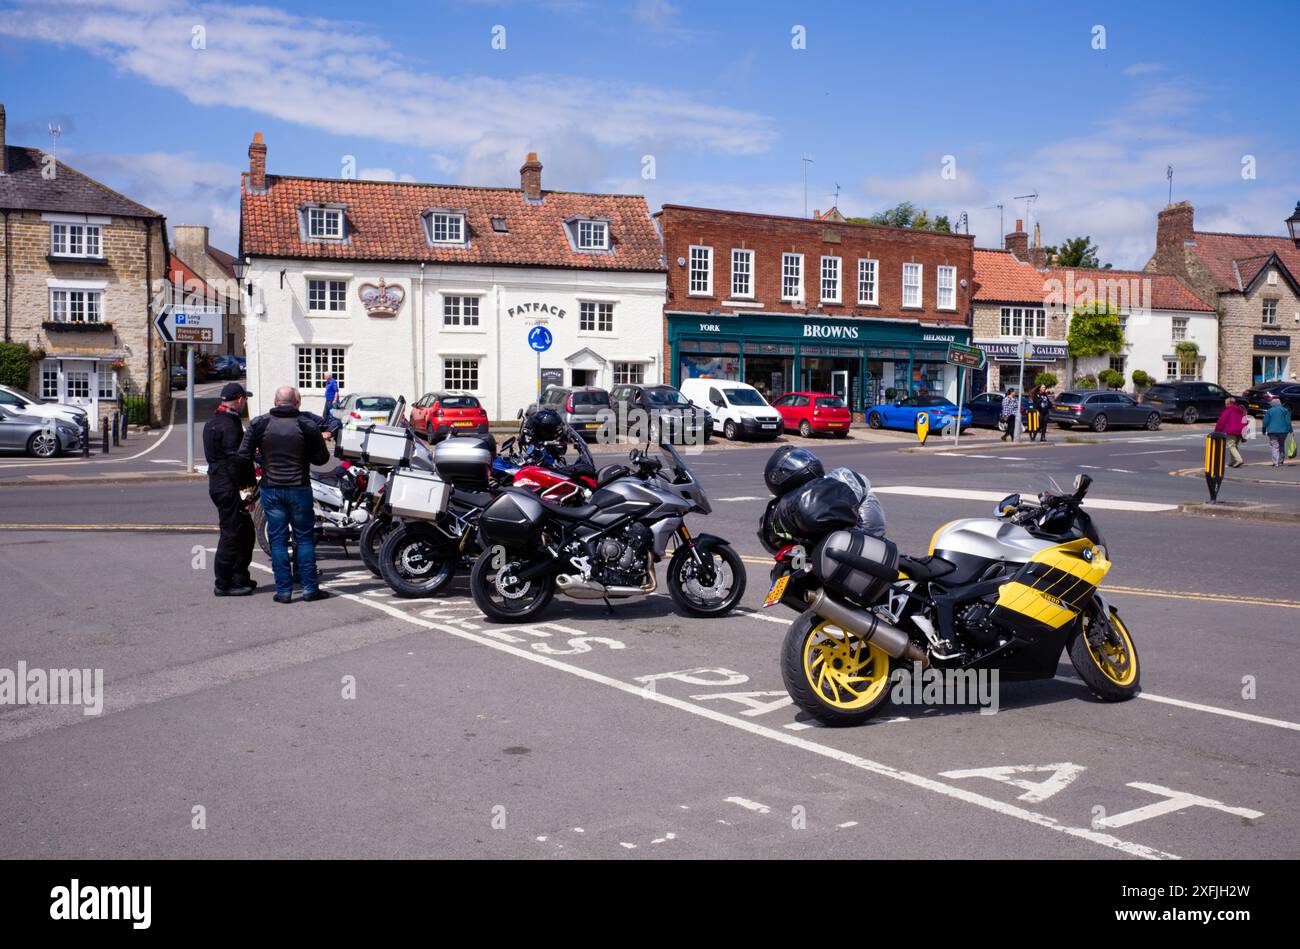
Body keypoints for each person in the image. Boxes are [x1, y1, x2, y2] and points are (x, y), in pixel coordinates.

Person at [239, 385, 331, 603]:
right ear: (296, 402)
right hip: (299, 487)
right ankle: (309, 589)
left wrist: (263, 462)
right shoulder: (306, 425)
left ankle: (283, 591)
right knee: (304, 538)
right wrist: (304, 453)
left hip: (272, 488)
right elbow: (322, 459)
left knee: (278, 540)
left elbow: (243, 454)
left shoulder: (260, 423)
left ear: (274, 400)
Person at [203, 382, 256, 596]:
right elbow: (237, 461)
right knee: (232, 534)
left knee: (245, 531)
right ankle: (223, 583)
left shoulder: (213, 421)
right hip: (229, 485)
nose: (245, 404)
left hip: (218, 483)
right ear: (240, 399)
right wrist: (247, 490)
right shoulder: (231, 424)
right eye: (245, 400)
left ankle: (239, 576)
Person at [1214, 397, 1249, 468]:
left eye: (1225, 404)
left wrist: (1216, 431)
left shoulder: (1228, 410)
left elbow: (1221, 421)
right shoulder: (1240, 410)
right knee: (1234, 445)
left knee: (1231, 445)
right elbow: (1245, 422)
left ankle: (1239, 460)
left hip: (1231, 431)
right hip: (1240, 431)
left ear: (1228, 403)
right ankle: (1233, 461)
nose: (1225, 405)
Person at [1262, 396, 1294, 468]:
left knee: (1275, 446)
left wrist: (1263, 430)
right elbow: (1288, 422)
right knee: (1282, 445)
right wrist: (1291, 430)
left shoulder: (1269, 411)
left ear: (1272, 403)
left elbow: (1265, 422)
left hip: (1272, 431)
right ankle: (1281, 461)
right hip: (1283, 431)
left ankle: (1275, 462)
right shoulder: (1285, 410)